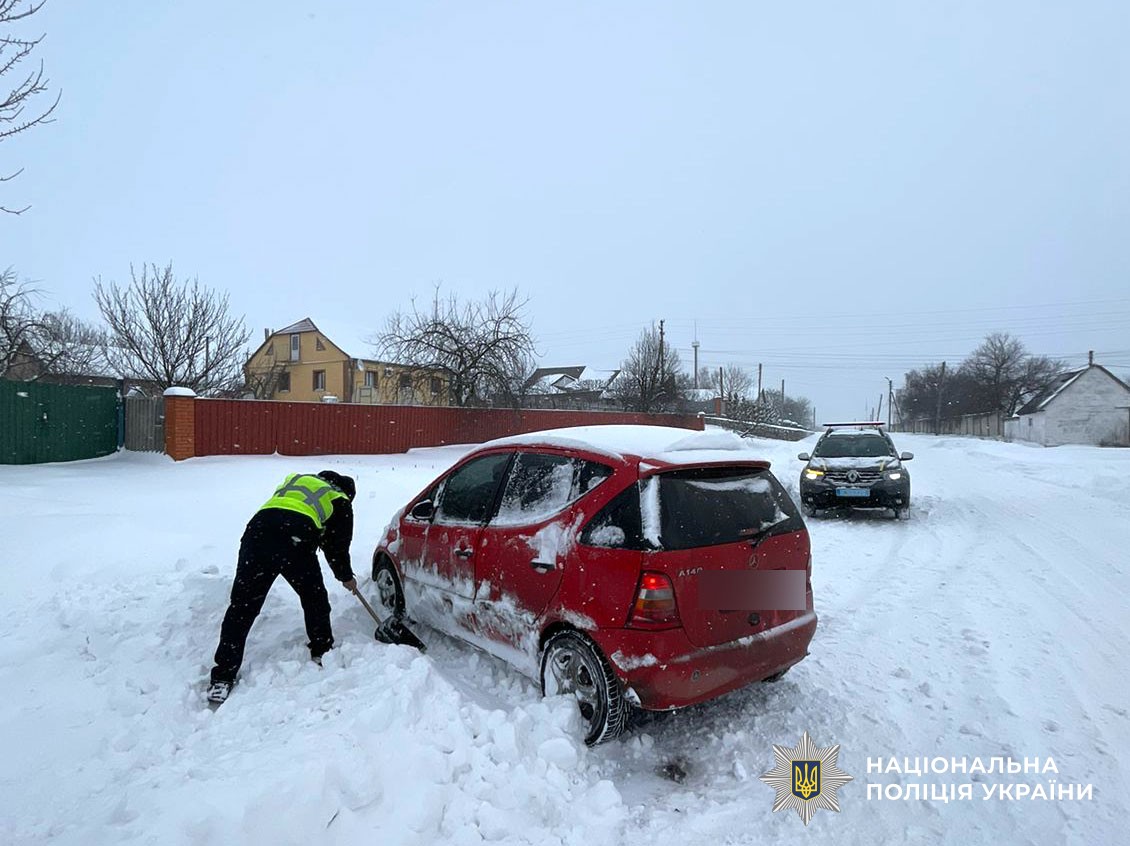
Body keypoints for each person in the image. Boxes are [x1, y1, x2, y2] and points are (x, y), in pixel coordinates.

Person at [206, 470, 358, 704]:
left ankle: (223, 676)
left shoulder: (297, 480)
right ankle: (322, 649)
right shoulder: (341, 500)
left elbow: (285, 512)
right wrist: (345, 576)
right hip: (294, 539)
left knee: (242, 607)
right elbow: (336, 547)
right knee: (314, 597)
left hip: (257, 534)